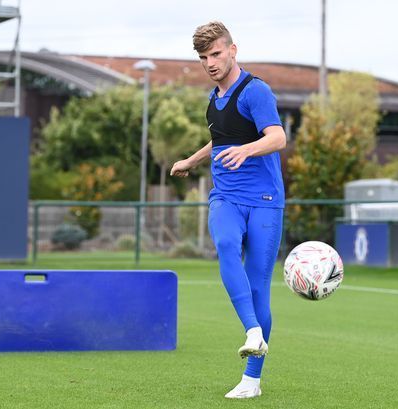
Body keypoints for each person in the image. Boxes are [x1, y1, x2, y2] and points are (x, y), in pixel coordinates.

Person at [170, 21, 286, 399]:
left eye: (216, 54)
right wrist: (192, 159)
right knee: (224, 243)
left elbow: (277, 137)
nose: (210, 63)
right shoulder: (213, 98)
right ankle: (252, 331)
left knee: (258, 288)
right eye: (204, 57)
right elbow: (220, 141)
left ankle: (252, 380)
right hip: (226, 196)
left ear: (233, 50)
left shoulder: (257, 92)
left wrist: (247, 149)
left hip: (265, 201)